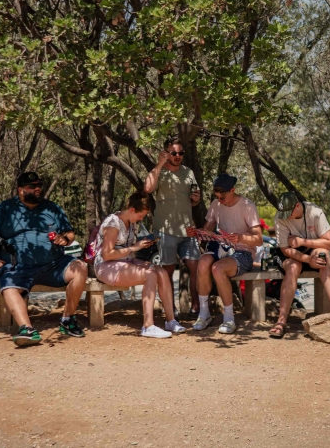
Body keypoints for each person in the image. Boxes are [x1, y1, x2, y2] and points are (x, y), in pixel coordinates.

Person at [0, 171, 89, 346]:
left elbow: (70, 232)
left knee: (81, 267)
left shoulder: (52, 208)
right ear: (21, 189)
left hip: (54, 264)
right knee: (8, 284)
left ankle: (67, 320)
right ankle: (27, 329)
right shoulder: (6, 208)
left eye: (40, 185)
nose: (38, 189)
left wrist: (65, 239)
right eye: (32, 186)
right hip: (19, 267)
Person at [93, 192, 186, 338]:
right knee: (150, 275)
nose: (141, 219)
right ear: (131, 210)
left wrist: (142, 245)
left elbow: (129, 248)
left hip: (126, 262)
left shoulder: (132, 222)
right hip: (106, 266)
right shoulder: (113, 223)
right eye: (140, 215)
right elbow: (107, 254)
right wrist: (134, 248)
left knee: (161, 272)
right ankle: (147, 326)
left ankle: (171, 320)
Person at [268, 191, 330, 338]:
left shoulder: (315, 213)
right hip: (289, 254)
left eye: (288, 213)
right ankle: (281, 321)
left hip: (310, 247)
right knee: (293, 267)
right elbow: (285, 249)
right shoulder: (280, 218)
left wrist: (303, 242)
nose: (286, 218)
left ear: (297, 206)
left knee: (324, 255)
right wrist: (307, 259)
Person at [192, 174, 262, 333]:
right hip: (221, 247)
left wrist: (240, 238)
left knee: (218, 269)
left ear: (232, 190)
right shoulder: (216, 205)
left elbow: (258, 240)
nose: (220, 199)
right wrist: (198, 233)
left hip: (243, 252)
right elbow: (207, 229)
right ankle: (204, 314)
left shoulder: (247, 206)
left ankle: (229, 318)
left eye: (223, 196)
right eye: (217, 196)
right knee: (203, 263)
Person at [143, 136, 202, 316]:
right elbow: (147, 188)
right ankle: (171, 309)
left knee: (196, 267)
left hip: (187, 228)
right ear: (166, 153)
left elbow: (193, 197)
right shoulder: (159, 172)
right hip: (165, 228)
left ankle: (197, 307)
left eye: (180, 153)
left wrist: (195, 199)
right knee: (167, 269)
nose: (177, 156)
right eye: (173, 153)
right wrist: (159, 164)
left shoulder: (188, 172)